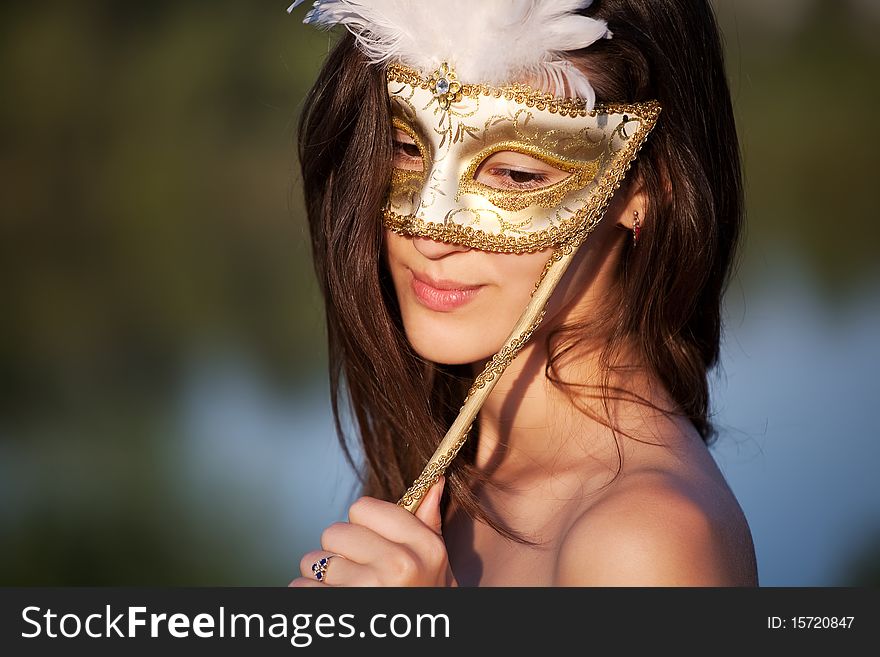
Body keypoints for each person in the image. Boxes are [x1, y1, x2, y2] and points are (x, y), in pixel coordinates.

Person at [288, 0, 759, 587]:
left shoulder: (643, 542)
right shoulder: (453, 473)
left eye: (515, 175)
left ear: (646, 190)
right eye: (408, 148)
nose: (428, 236)